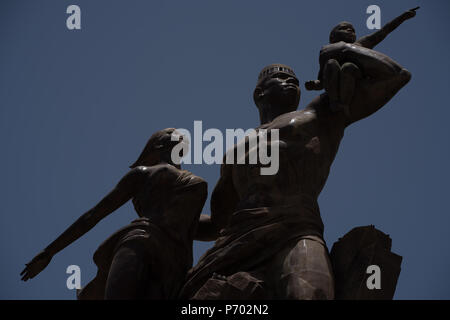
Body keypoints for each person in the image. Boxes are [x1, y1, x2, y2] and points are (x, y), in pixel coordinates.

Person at [182, 36, 412, 299]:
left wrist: (342, 49)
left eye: (294, 80)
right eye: (280, 79)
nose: (292, 82)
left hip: (296, 232)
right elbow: (215, 225)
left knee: (313, 293)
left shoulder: (318, 116)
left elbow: (395, 76)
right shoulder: (235, 152)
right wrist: (162, 215)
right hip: (236, 241)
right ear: (260, 94)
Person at [21, 128, 208, 299]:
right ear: (158, 145)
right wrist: (50, 251)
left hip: (171, 263)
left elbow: (211, 227)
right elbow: (93, 215)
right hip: (148, 249)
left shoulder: (178, 184)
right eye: (171, 132)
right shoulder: (150, 175)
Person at [305, 7, 418, 114]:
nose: (350, 30)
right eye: (344, 28)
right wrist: (314, 84)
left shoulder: (359, 44)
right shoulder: (325, 51)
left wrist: (402, 17)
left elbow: (383, 31)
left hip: (353, 80)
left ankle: (344, 103)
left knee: (348, 67)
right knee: (331, 63)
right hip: (334, 86)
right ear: (332, 37)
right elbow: (322, 79)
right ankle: (335, 102)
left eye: (353, 30)